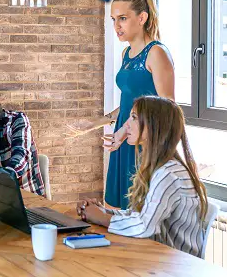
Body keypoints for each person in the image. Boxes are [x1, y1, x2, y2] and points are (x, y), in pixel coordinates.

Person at [65, 0, 175, 209]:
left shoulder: (157, 53)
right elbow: (129, 101)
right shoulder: (126, 54)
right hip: (123, 139)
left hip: (145, 143)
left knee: (137, 212)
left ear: (142, 18)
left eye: (123, 19)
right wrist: (96, 123)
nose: (116, 26)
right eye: (114, 19)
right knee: (116, 209)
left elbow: (169, 109)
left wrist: (126, 130)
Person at [76, 96, 208, 257]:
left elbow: (144, 226)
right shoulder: (159, 168)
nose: (126, 124)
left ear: (154, 126)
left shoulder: (168, 174)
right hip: (158, 260)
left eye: (133, 118)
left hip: (176, 267)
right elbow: (140, 216)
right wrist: (100, 211)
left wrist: (101, 218)